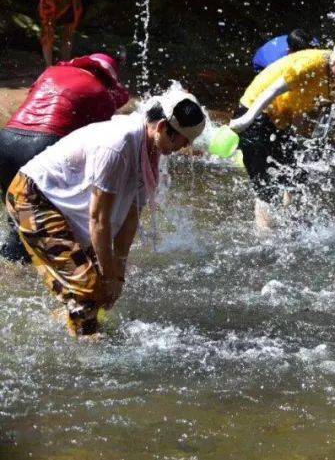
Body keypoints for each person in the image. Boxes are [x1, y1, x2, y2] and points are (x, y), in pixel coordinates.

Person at [4, 93, 205, 336]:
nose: (183, 148)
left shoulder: (148, 152)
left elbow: (130, 218)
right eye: (183, 141)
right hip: (31, 198)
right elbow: (99, 220)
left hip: (60, 204)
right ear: (162, 127)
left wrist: (117, 275)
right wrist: (108, 276)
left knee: (96, 285)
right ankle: (88, 353)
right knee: (87, 287)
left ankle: (62, 327)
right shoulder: (118, 146)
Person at [0, 53, 130, 263]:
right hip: (42, 146)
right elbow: (98, 142)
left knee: (18, 216)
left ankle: (11, 267)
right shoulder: (100, 92)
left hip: (5, 141)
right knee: (55, 217)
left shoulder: (51, 71)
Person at [229, 37, 335, 229]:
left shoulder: (333, 79)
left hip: (280, 122)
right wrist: (246, 119)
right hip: (255, 110)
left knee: (295, 177)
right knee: (265, 185)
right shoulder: (312, 63)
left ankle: (286, 224)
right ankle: (264, 238)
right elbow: (272, 90)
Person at [252, 29, 318, 72]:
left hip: (275, 46)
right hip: (260, 65)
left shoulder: (310, 41)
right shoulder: (278, 63)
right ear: (291, 51)